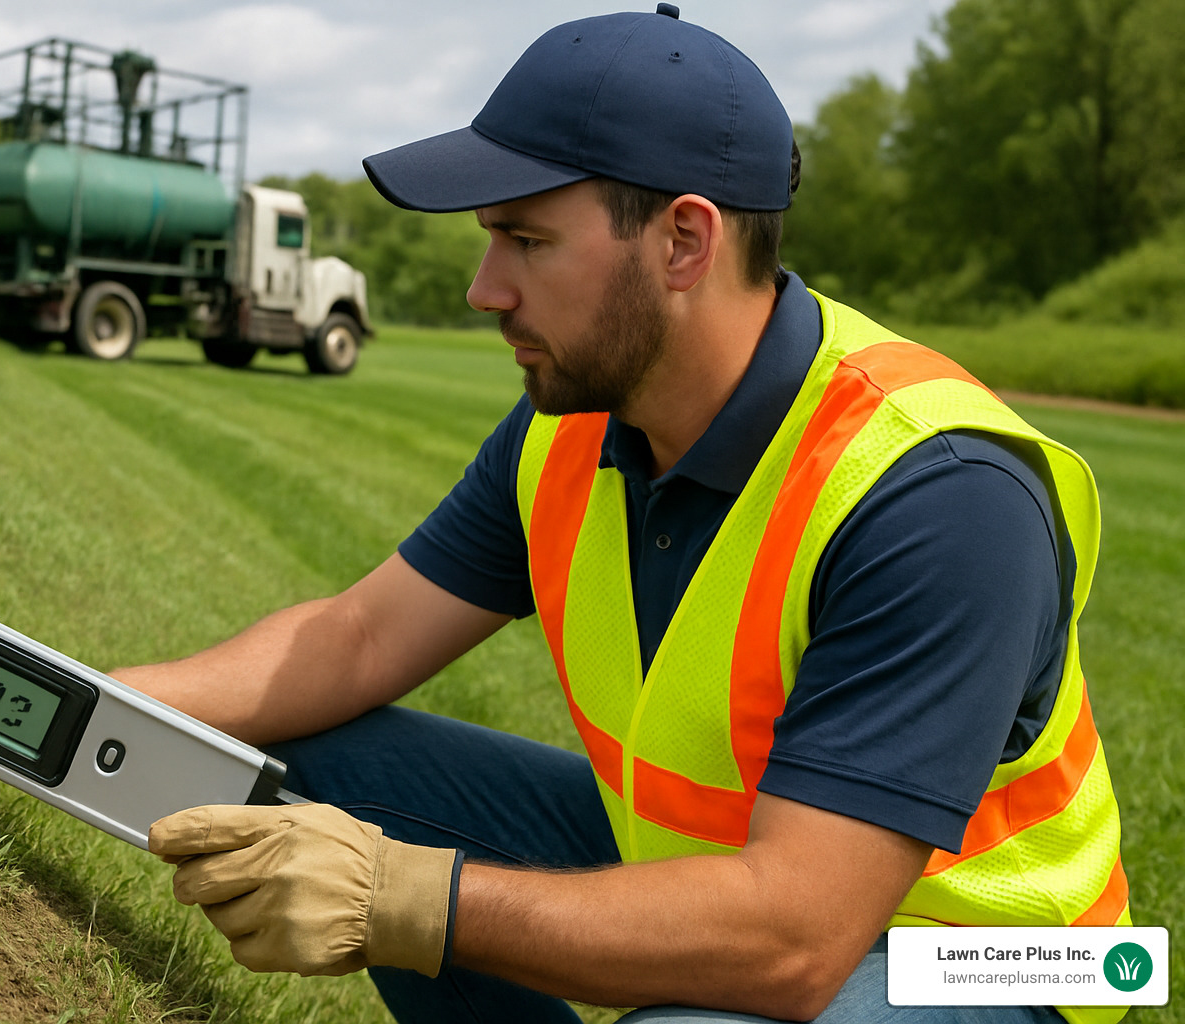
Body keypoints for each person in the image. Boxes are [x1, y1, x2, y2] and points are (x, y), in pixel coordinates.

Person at [111, 7, 1130, 1023]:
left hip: (999, 958)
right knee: (322, 765)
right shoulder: (569, 425)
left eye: (525, 239)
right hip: (736, 868)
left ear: (684, 241)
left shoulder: (935, 494)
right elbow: (358, 634)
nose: (482, 289)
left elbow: (792, 939)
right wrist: (86, 701)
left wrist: (404, 898)